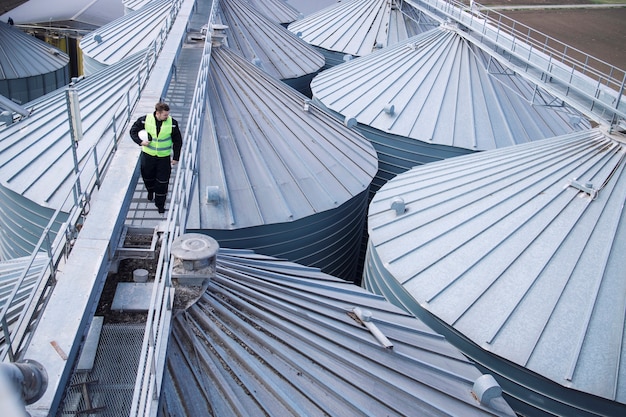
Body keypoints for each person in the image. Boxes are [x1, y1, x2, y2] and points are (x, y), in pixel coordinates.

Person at [129, 102, 182, 214]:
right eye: (165, 115)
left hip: (164, 158)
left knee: (163, 182)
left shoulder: (172, 123)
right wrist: (140, 142)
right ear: (157, 113)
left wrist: (176, 157)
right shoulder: (145, 120)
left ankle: (160, 205)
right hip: (148, 156)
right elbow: (133, 131)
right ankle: (150, 191)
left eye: (167, 115)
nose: (167, 117)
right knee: (148, 177)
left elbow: (178, 141)